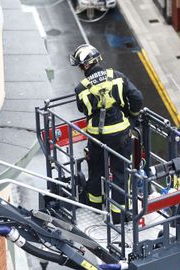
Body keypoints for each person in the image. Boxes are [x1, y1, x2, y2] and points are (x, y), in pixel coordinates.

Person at [70, 44, 144, 224]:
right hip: (121, 136)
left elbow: (83, 110)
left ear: (86, 65)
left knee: (96, 171)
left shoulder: (81, 89)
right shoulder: (117, 77)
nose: (81, 69)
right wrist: (132, 118)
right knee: (120, 173)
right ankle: (118, 216)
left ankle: (95, 207)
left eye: (80, 66)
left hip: (97, 137)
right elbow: (137, 98)